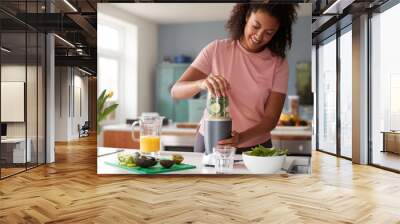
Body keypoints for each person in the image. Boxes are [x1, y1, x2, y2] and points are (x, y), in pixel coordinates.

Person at [170, 3, 298, 154]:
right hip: (211, 141)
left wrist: (241, 138)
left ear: (277, 32)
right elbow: (176, 91)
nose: (259, 36)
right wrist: (201, 83)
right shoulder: (216, 49)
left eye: (268, 32)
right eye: (255, 26)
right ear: (246, 17)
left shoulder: (278, 64)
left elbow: (271, 119)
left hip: (255, 147)